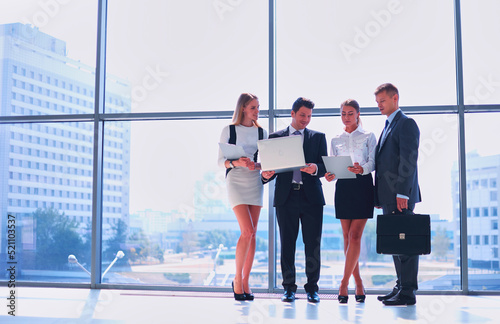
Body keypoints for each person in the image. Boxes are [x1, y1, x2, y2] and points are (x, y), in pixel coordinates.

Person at [262, 97, 327, 303]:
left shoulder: (318, 138)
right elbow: (269, 170)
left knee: (312, 244)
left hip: (312, 198)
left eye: (309, 116)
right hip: (286, 197)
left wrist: (315, 168)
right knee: (287, 244)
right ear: (292, 113)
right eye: (302, 115)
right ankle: (288, 289)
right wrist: (265, 175)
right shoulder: (275, 137)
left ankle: (312, 289)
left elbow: (324, 167)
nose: (306, 120)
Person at [373, 83, 421, 306]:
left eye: (383, 101)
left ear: (395, 98)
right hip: (389, 196)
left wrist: (402, 192)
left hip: (400, 195)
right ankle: (401, 286)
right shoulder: (388, 125)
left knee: (406, 245)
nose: (379, 105)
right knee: (395, 243)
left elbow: (408, 161)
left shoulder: (406, 124)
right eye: (377, 102)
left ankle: (408, 292)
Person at [324, 99, 376, 303]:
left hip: (363, 185)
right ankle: (359, 282)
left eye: (350, 113)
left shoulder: (369, 136)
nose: (346, 117)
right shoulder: (335, 139)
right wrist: (330, 175)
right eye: (343, 113)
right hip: (343, 187)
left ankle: (344, 284)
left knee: (355, 236)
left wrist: (361, 169)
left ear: (358, 114)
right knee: (346, 237)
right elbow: (334, 165)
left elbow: (373, 162)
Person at [218, 93, 268, 301]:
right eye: (253, 107)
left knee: (253, 233)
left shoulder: (262, 132)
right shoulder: (228, 130)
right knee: (246, 230)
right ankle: (237, 279)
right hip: (236, 181)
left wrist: (256, 165)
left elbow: (266, 161)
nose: (257, 111)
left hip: (255, 181)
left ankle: (246, 280)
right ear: (243, 109)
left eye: (258, 107)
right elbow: (221, 161)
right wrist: (238, 162)